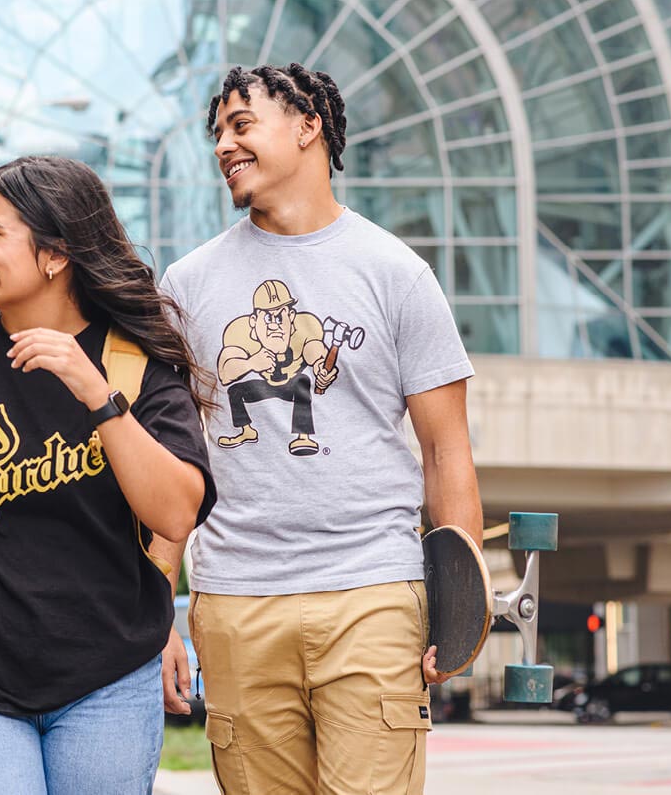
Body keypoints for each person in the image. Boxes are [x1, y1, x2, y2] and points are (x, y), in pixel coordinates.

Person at [157, 63, 482, 794]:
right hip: (235, 601)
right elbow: (173, 464)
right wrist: (159, 615)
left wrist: (460, 608)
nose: (223, 146)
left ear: (309, 127)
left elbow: (445, 449)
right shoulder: (186, 284)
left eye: (242, 126)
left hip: (371, 590)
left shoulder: (395, 273)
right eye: (217, 134)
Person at [0, 156, 216, 795]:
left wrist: (95, 392)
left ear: (55, 255)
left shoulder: (136, 366)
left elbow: (175, 514)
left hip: (107, 682)